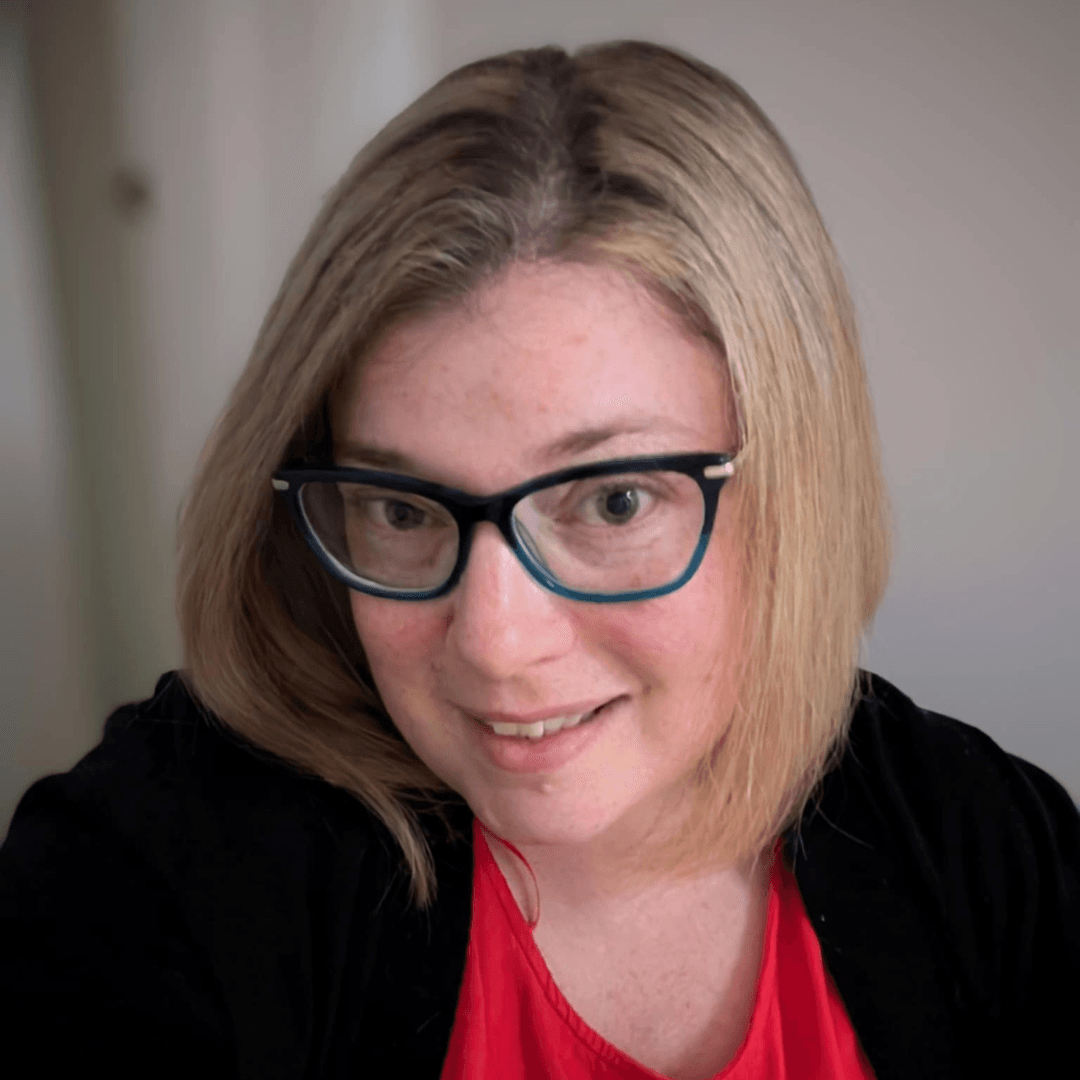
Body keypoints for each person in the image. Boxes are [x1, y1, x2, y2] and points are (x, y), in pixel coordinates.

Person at [1, 40, 1077, 1080]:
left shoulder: (991, 852)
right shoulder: (152, 875)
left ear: (795, 489)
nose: (496, 642)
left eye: (613, 501)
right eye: (401, 507)